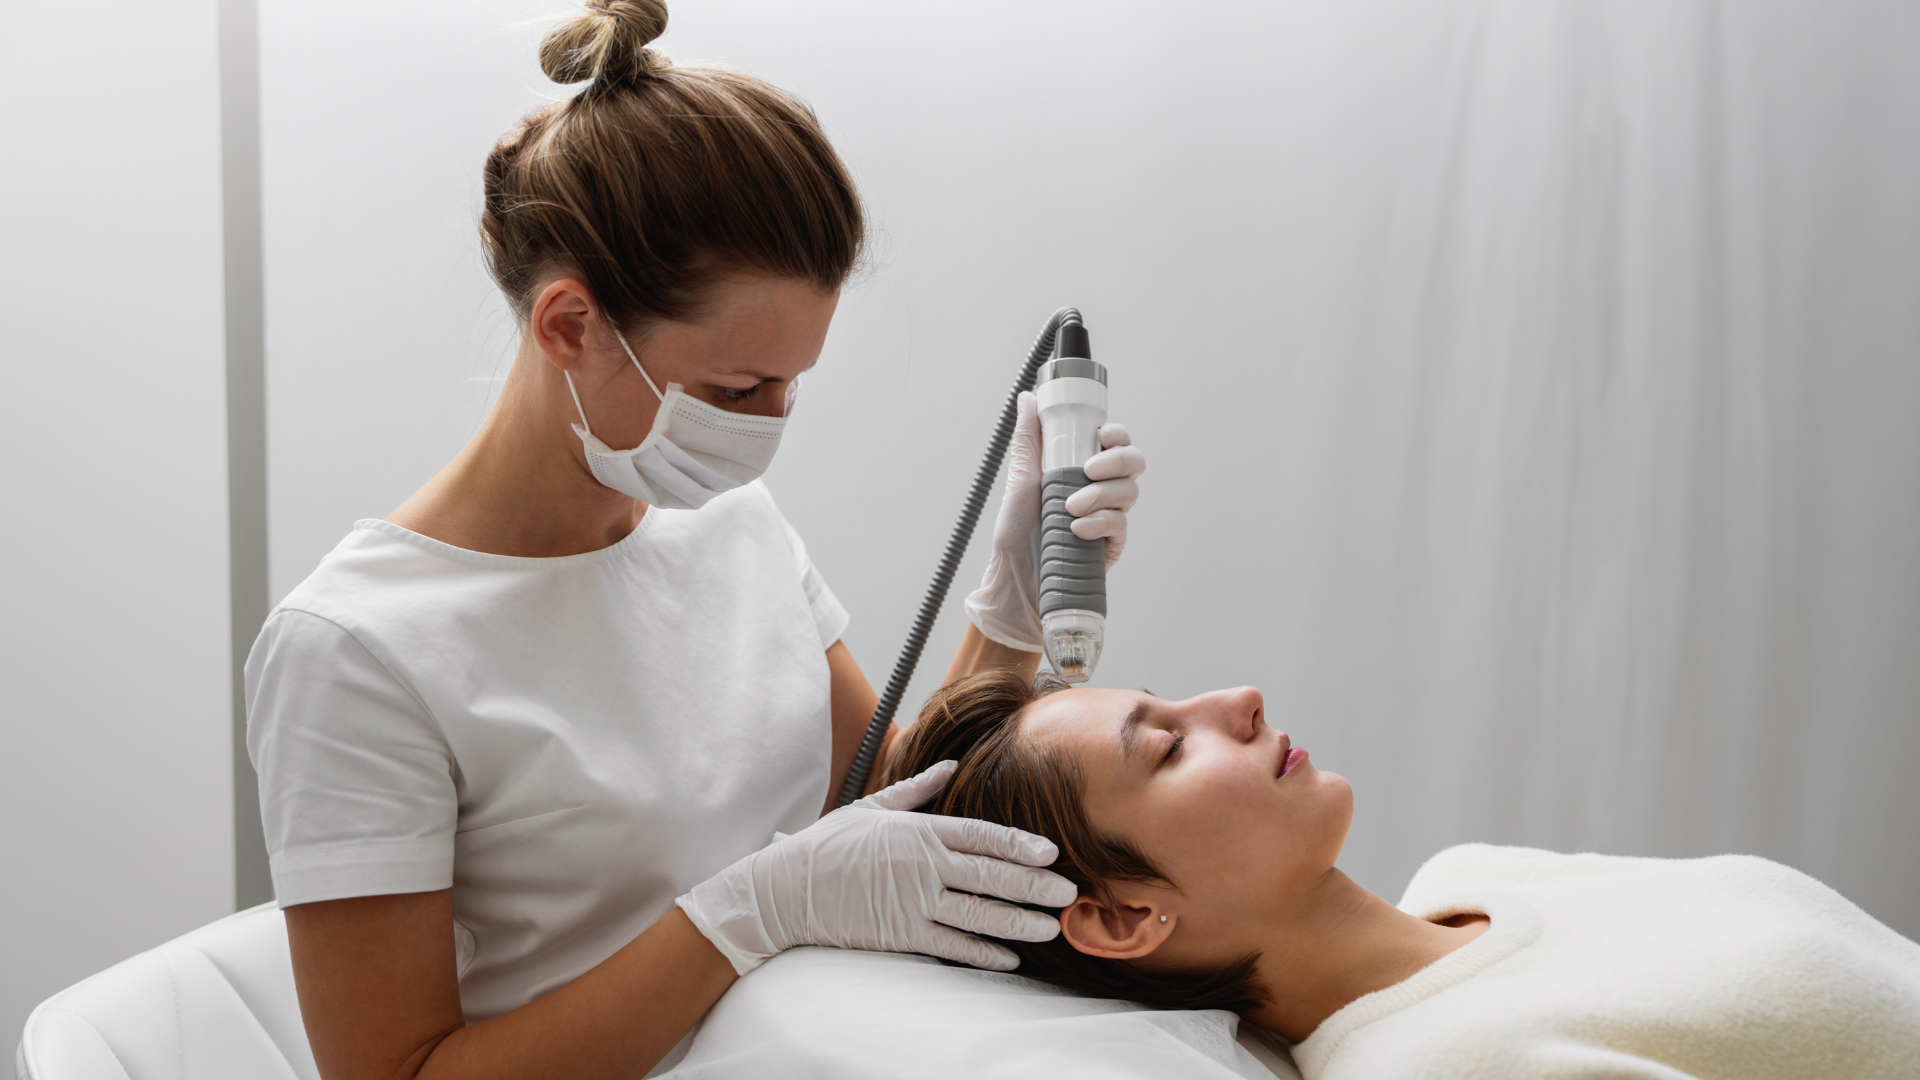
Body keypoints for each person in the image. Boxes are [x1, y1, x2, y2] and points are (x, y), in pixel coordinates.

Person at [244, 2, 1145, 1078]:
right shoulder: (357, 652)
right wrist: (737, 920)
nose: (770, 423)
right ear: (570, 325)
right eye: (736, 386)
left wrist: (1009, 619)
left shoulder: (724, 522)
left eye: (793, 381)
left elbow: (884, 805)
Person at [886, 670, 1920, 1080]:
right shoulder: (1438, 1070)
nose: (1237, 699)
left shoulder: (1484, 874)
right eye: (1165, 748)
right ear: (1120, 920)